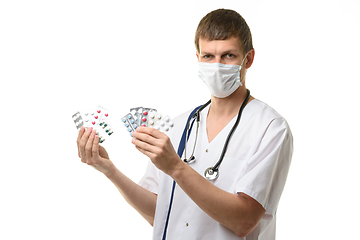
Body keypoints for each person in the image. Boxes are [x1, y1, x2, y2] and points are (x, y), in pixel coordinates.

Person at [76, 9, 293, 240]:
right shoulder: (180, 125)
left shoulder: (270, 128)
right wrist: (109, 169)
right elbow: (157, 214)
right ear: (198, 59)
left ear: (248, 59)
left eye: (228, 56)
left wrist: (176, 167)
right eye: (208, 56)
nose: (217, 65)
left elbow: (244, 221)